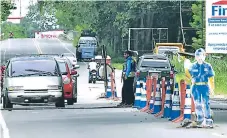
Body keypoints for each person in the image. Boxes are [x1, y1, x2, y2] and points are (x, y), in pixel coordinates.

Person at [185, 48, 215, 128]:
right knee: (197, 104)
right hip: (196, 87)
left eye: (201, 55)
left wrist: (212, 88)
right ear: (195, 57)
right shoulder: (192, 66)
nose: (200, 57)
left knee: (206, 103)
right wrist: (187, 72)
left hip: (205, 86)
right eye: (198, 55)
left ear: (204, 56)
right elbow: (187, 75)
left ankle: (208, 120)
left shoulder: (208, 66)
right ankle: (200, 120)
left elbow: (211, 78)